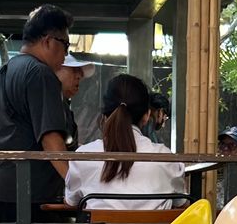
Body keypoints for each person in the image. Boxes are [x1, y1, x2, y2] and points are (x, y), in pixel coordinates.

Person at [0, 4, 75, 224]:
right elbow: (51, 140)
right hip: (32, 191)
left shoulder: (2, 73)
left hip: (2, 186)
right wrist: (76, 183)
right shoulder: (40, 74)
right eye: (65, 45)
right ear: (48, 41)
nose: (65, 54)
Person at [64, 74, 186, 210]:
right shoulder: (165, 157)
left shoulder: (84, 156)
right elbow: (182, 203)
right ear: (146, 115)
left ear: (104, 115)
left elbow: (70, 203)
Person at [56, 54, 95, 150]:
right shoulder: (50, 106)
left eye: (80, 74)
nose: (79, 77)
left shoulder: (64, 107)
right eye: (74, 71)